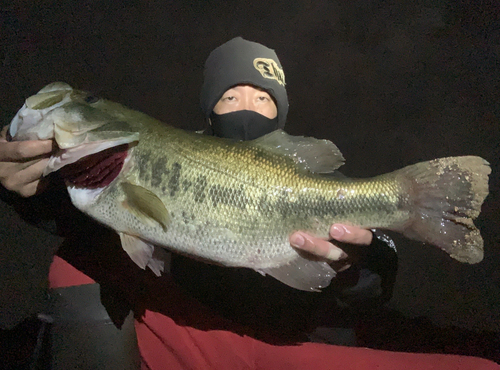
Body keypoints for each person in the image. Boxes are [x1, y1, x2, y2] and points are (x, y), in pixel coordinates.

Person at [0, 37, 498, 370]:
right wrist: (35, 188)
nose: (245, 106)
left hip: (298, 343)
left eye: (261, 98)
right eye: (230, 96)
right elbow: (90, 224)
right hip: (195, 332)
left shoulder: (314, 179)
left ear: (280, 110)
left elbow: (380, 255)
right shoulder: (136, 158)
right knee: (76, 263)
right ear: (208, 108)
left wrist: (358, 264)